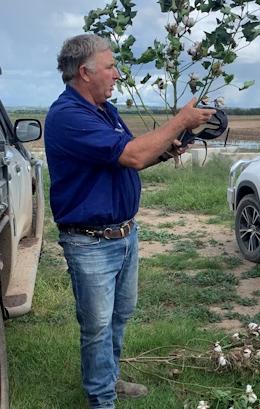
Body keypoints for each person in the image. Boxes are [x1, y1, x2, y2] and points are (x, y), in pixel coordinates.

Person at [44, 34, 215, 409]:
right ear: (85, 73)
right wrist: (180, 119)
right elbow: (133, 155)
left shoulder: (105, 111)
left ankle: (110, 378)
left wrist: (167, 151)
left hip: (123, 234)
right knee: (97, 326)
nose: (117, 74)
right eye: (110, 67)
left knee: (119, 317)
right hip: (90, 241)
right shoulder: (68, 116)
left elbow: (131, 159)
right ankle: (102, 399)